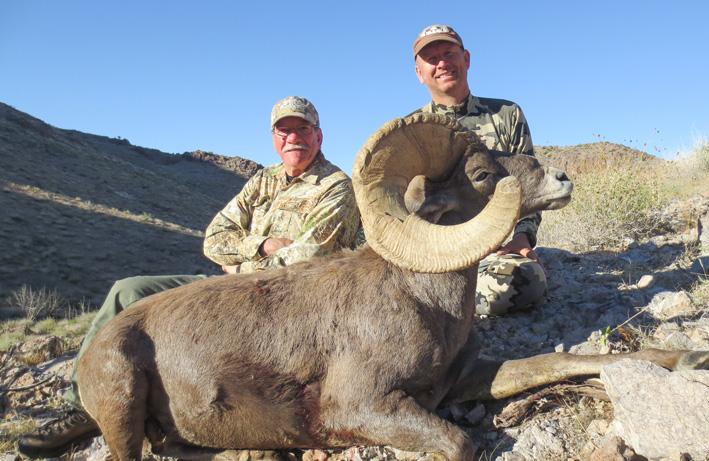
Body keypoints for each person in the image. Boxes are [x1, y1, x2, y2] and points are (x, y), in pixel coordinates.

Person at [17, 96, 361, 458]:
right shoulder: (264, 180)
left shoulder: (336, 187)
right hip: (229, 285)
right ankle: (81, 407)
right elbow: (214, 240)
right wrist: (264, 245)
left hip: (279, 302)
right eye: (284, 130)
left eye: (302, 129)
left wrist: (240, 260)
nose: (293, 138)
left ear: (318, 136)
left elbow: (304, 260)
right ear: (274, 137)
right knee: (127, 291)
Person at [411, 24, 548, 316]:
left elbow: (531, 184)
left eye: (449, 53)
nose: (443, 63)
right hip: (438, 256)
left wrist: (523, 237)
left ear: (467, 59)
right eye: (432, 59)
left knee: (525, 282)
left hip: (496, 251)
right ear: (419, 72)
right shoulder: (411, 131)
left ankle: (449, 310)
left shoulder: (506, 115)